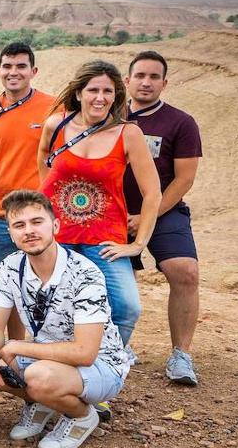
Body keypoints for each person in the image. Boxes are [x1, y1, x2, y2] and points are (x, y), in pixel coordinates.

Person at [0, 190, 131, 448]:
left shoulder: (84, 273)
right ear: (11, 232)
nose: (29, 231)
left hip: (102, 365)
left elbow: (84, 353)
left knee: (38, 376)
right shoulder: (11, 266)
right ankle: (41, 402)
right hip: (48, 359)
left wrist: (18, 347)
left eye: (37, 222)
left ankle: (81, 416)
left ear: (55, 225)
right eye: (19, 225)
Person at [38, 60, 160, 347]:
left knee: (126, 308)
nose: (101, 98)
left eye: (108, 91)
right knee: (54, 307)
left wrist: (138, 244)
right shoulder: (56, 125)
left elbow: (153, 192)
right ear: (79, 93)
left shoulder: (128, 133)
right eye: (93, 90)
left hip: (105, 240)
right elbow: (44, 167)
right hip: (58, 238)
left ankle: (108, 364)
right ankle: (56, 368)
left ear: (117, 95)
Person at [123, 51, 203, 385]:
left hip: (163, 210)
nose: (146, 82)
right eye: (140, 75)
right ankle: (117, 347)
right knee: (109, 278)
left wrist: (146, 216)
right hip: (111, 211)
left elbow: (183, 179)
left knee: (185, 271)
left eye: (154, 76)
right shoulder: (108, 117)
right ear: (127, 81)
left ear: (164, 83)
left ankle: (180, 356)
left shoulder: (180, 123)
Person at [0, 42, 57, 265]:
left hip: (41, 209)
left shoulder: (53, 107)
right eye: (7, 66)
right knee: (8, 276)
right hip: (0, 212)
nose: (13, 72)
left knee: (44, 274)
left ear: (33, 71)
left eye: (21, 66)